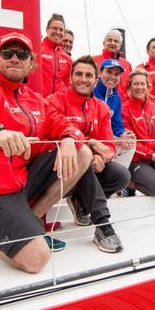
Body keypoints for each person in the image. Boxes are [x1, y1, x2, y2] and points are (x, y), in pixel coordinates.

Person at [0, 33, 122, 272]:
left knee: (81, 153)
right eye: (7, 53)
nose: (14, 59)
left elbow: (64, 124)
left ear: (31, 63)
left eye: (21, 55)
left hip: (20, 181)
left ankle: (30, 226)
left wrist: (69, 139)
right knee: (36, 259)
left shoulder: (34, 99)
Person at [48, 56, 132, 210]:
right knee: (83, 159)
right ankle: (103, 224)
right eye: (79, 74)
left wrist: (101, 157)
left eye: (88, 76)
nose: (83, 79)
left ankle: (80, 204)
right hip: (62, 165)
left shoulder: (103, 107)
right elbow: (50, 135)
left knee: (122, 175)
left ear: (95, 78)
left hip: (91, 163)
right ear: (71, 77)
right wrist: (89, 145)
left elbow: (109, 145)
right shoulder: (55, 100)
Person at [94, 59, 136, 168]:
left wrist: (122, 134)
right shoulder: (91, 91)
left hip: (107, 137)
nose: (113, 76)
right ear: (99, 73)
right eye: (109, 72)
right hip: (92, 138)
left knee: (130, 141)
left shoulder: (116, 97)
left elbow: (117, 124)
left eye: (116, 74)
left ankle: (116, 177)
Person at [34, 13, 72, 95]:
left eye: (61, 30)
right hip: (38, 101)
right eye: (55, 28)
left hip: (58, 105)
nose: (58, 32)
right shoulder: (36, 49)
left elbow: (68, 85)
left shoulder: (66, 58)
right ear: (47, 29)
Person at [93, 29, 133, 95]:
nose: (113, 43)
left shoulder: (127, 64)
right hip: (98, 103)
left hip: (121, 104)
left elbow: (130, 88)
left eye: (116, 41)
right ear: (104, 43)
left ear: (120, 46)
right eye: (110, 40)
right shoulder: (93, 60)